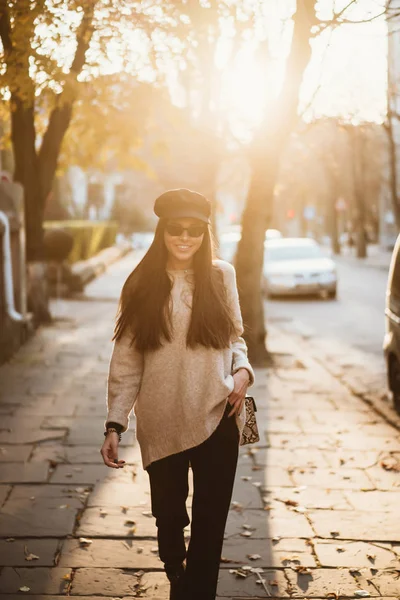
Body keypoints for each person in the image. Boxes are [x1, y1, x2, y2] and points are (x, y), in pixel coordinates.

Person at [100, 188, 254, 600]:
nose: (185, 238)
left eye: (194, 230)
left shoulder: (222, 276)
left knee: (210, 521)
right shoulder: (142, 283)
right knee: (169, 518)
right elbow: (127, 358)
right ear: (162, 231)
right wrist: (116, 422)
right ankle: (174, 566)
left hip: (219, 414)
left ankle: (196, 592)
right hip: (162, 421)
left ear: (205, 234)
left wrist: (243, 370)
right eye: (176, 229)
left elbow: (236, 338)